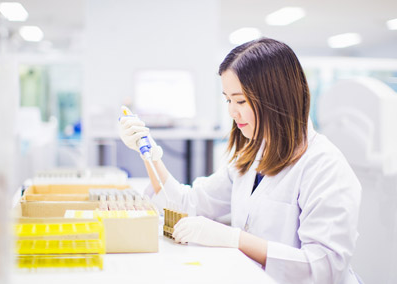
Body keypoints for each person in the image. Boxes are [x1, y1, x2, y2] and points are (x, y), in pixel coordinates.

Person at [119, 37, 362, 283]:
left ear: (276, 97)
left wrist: (234, 239)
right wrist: (148, 151)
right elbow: (186, 203)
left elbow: (324, 268)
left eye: (241, 101)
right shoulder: (253, 156)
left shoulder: (324, 166)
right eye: (228, 100)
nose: (232, 112)